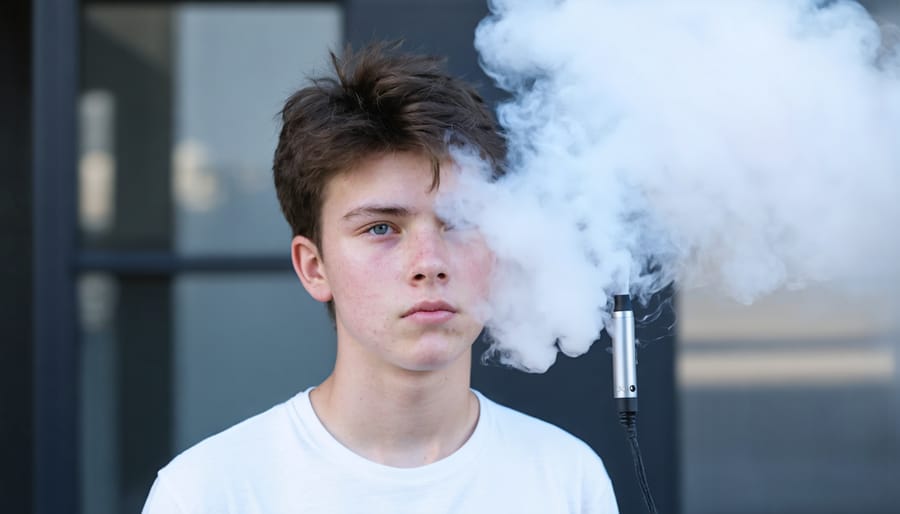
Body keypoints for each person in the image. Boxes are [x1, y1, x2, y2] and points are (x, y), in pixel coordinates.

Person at [142, 42, 619, 514]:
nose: (428, 262)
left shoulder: (566, 478)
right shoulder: (209, 492)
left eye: (457, 220)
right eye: (381, 228)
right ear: (314, 267)